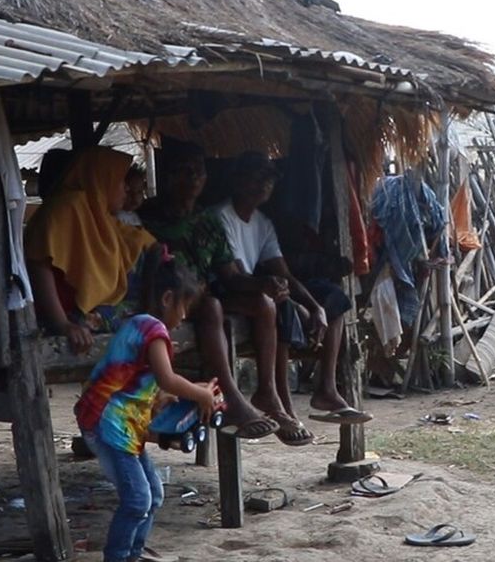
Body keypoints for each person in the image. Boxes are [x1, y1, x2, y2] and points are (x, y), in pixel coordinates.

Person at [138, 143, 294, 442]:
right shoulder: (149, 216)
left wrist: (262, 284)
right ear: (168, 177)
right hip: (166, 301)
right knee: (211, 307)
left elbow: (230, 275)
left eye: (200, 171)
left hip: (205, 295)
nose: (195, 178)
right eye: (186, 171)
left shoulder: (206, 220)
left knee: (265, 305)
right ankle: (232, 399)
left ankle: (267, 393)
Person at [75, 249, 218, 562]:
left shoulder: (140, 326)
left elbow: (149, 385)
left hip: (124, 426)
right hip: (109, 422)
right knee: (138, 498)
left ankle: (134, 553)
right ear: (168, 298)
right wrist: (200, 393)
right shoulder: (153, 329)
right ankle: (117, 556)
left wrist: (169, 399)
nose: (184, 317)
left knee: (153, 494)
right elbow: (167, 379)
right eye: (184, 307)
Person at [217, 151, 372, 430]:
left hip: (257, 286)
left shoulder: (262, 223)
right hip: (234, 290)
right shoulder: (222, 217)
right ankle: (280, 401)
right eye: (256, 179)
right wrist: (276, 290)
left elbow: (283, 272)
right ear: (239, 181)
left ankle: (325, 389)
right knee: (281, 304)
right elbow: (234, 278)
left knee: (333, 297)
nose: (262, 186)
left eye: (268, 181)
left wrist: (315, 307)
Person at [25, 147, 155, 354]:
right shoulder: (68, 207)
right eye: (122, 183)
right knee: (148, 324)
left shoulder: (97, 212)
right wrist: (63, 324)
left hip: (88, 310)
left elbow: (138, 241)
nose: (126, 190)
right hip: (68, 315)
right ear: (102, 178)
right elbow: (38, 264)